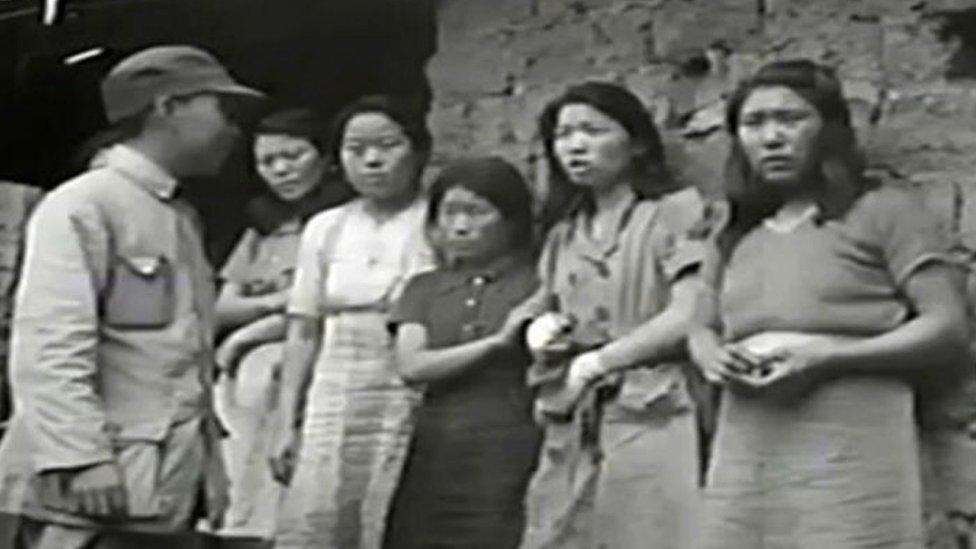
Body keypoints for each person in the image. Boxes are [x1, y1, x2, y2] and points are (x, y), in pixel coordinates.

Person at [688, 59, 971, 548]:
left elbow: (946, 327)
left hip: (852, 441)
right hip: (749, 442)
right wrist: (711, 354)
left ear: (830, 129)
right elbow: (700, 327)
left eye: (791, 119)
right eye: (754, 124)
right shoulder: (733, 234)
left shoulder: (883, 211)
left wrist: (825, 355)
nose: (772, 137)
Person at [0, 45, 263, 549]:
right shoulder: (83, 206)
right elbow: (50, 345)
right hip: (95, 493)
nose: (234, 130)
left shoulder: (177, 217)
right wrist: (81, 457)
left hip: (157, 487)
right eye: (223, 110)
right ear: (167, 107)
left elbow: (179, 356)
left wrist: (209, 474)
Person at [517, 81, 707, 549]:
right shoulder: (564, 234)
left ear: (637, 142)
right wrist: (539, 331)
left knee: (649, 530)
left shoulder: (675, 213)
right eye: (563, 135)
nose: (575, 145)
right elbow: (544, 303)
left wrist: (602, 361)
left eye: (593, 130)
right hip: (576, 412)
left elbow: (690, 311)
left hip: (658, 405)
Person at [268, 95, 436, 549]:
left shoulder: (437, 220)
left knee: (398, 511)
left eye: (387, 145)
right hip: (334, 389)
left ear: (418, 148)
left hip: (410, 388)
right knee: (323, 513)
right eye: (355, 148)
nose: (372, 160)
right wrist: (286, 420)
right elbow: (302, 329)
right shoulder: (326, 227)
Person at [210, 108, 353, 548]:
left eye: (292, 156)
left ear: (326, 157)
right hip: (243, 389)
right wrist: (278, 302)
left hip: (301, 371)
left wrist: (250, 332)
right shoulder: (263, 230)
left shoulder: (341, 222)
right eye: (267, 162)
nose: (281, 170)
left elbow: (326, 306)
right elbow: (221, 307)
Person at [381, 157, 542, 549]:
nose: (461, 225)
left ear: (512, 220)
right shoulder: (423, 287)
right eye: (449, 212)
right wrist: (497, 342)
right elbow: (412, 365)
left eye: (477, 212)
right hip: (437, 445)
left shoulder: (537, 280)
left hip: (513, 444)